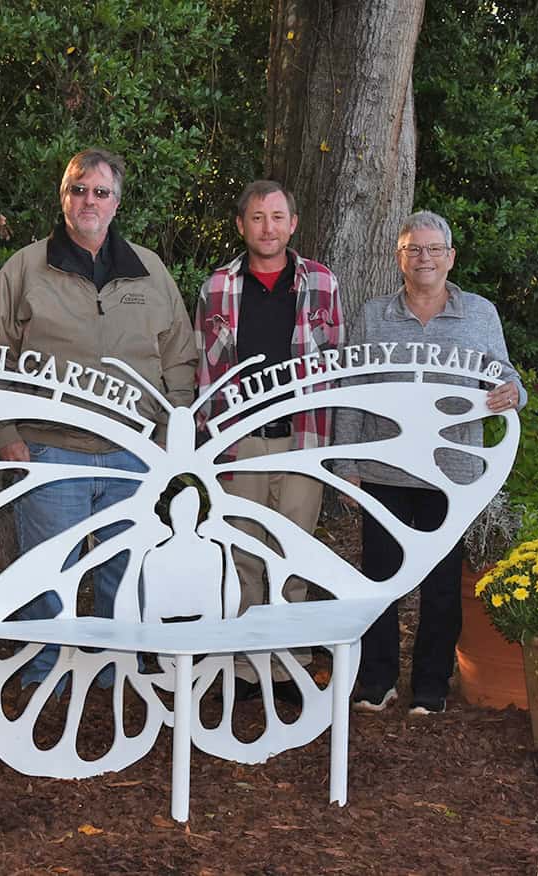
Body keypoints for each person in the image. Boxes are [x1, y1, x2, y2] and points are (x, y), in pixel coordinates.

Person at [0, 148, 198, 688]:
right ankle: (44, 674)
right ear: (63, 196)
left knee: (127, 569)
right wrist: (5, 435)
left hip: (135, 452)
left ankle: (117, 671)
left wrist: (171, 437)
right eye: (79, 189)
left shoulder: (149, 270)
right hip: (51, 450)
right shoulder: (26, 268)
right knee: (48, 570)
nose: (88, 201)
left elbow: (179, 357)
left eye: (100, 192)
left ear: (117, 202)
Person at [334, 210, 526, 716]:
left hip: (450, 472)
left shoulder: (480, 313)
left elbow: (503, 375)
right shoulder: (374, 314)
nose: (424, 258)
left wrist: (514, 393)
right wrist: (346, 461)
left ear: (450, 257)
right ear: (399, 258)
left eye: (433, 249)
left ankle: (430, 685)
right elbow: (351, 389)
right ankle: (377, 680)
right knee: (380, 576)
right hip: (383, 468)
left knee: (442, 584)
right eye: (413, 249)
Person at [193, 180, 344, 704]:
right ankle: (243, 666)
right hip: (240, 442)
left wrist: (333, 446)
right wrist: (207, 444)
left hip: (303, 440)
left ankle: (289, 667)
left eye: (277, 217)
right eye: (257, 218)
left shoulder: (321, 282)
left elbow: (337, 366)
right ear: (241, 226)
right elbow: (205, 374)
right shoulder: (218, 286)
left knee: (293, 553)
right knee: (242, 555)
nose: (268, 227)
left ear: (293, 224)